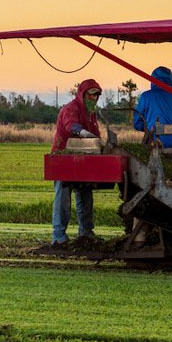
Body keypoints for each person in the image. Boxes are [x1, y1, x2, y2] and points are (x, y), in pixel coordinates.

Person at [49, 78, 102, 246]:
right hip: (63, 156)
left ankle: (86, 232)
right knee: (63, 195)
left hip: (82, 157)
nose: (94, 99)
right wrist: (84, 133)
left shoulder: (91, 113)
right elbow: (71, 126)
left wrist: (99, 141)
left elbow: (95, 133)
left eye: (96, 96)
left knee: (85, 193)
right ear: (82, 94)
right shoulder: (70, 109)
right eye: (91, 95)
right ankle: (58, 236)